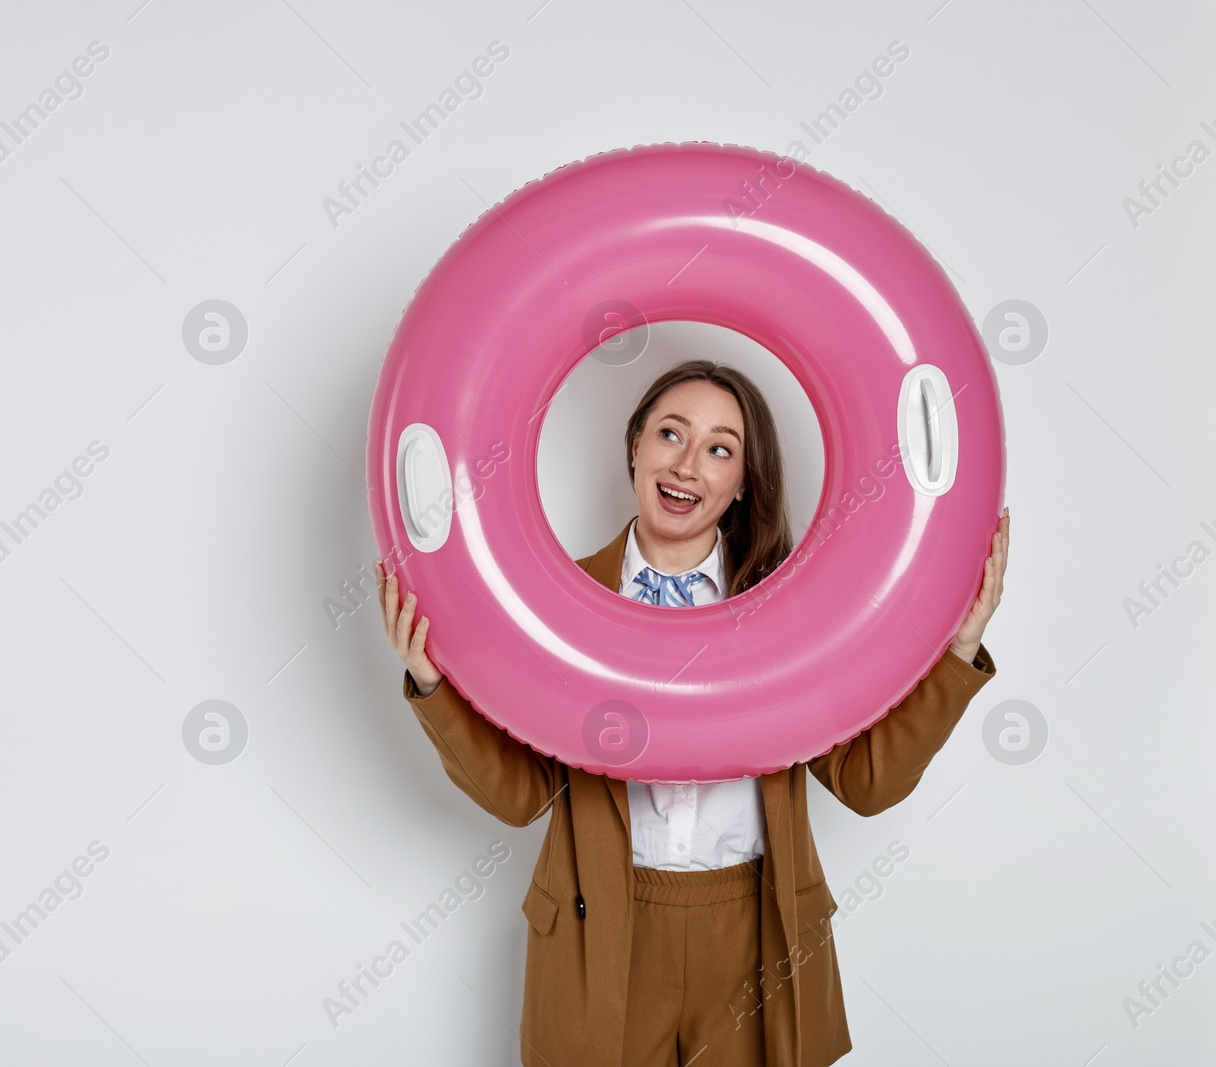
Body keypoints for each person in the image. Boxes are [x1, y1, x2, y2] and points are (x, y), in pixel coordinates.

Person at [378, 359, 1009, 1067]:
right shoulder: (555, 603)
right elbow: (522, 795)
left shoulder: (792, 612)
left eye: (720, 447)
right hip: (604, 931)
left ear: (743, 482)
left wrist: (959, 650)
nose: (686, 465)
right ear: (635, 446)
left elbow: (866, 782)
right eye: (670, 434)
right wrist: (431, 682)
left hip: (754, 931)